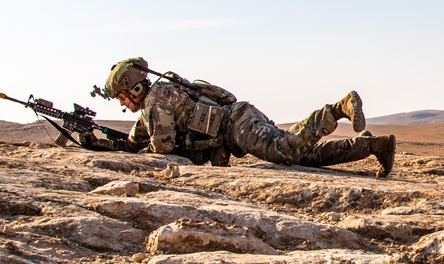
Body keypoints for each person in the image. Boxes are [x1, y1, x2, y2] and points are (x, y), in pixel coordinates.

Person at [94, 57, 396, 176]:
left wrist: (143, 152)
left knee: (286, 149)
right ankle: (372, 146)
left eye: (121, 96)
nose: (122, 103)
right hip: (240, 118)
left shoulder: (156, 101)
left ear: (133, 87)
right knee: (304, 157)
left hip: (238, 126)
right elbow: (133, 144)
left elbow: (161, 148)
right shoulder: (160, 99)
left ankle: (337, 109)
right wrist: (94, 142)